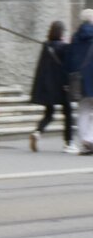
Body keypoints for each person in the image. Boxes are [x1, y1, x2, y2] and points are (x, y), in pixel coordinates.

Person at [28, 21, 75, 154]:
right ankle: (68, 142)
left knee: (49, 113)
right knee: (68, 114)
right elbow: (67, 67)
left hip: (48, 87)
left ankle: (37, 132)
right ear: (61, 33)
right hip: (61, 86)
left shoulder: (46, 46)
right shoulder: (64, 47)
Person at [65, 8, 93, 155]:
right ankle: (91, 139)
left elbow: (69, 60)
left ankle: (85, 141)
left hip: (80, 81)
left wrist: (69, 77)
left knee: (83, 111)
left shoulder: (75, 37)